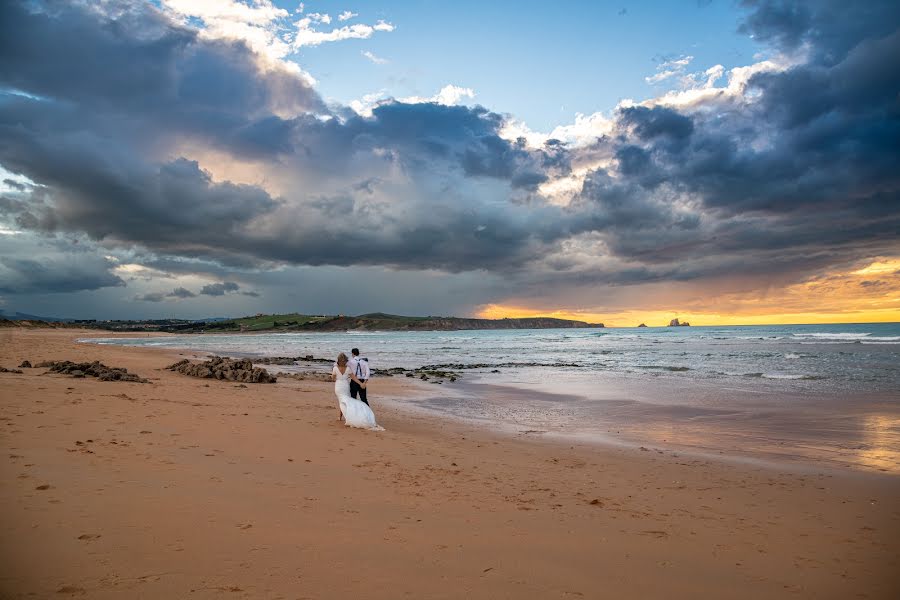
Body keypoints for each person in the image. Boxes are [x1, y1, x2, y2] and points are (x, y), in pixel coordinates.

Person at [331, 352, 383, 431]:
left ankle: (341, 417)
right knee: (346, 401)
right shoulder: (348, 369)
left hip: (338, 386)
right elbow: (354, 378)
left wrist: (334, 376)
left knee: (341, 401)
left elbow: (333, 379)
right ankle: (344, 416)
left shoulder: (335, 368)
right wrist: (361, 383)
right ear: (345, 360)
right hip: (345, 386)